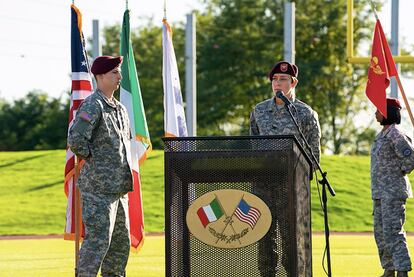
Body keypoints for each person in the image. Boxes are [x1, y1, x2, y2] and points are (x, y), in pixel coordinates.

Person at [249, 61, 321, 275]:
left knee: (291, 238)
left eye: (283, 79)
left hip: (291, 187)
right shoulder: (259, 111)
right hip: (263, 186)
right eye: (275, 80)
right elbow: (252, 146)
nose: (278, 83)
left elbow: (313, 155)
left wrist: (297, 178)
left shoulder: (305, 114)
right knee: (264, 237)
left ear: (293, 82)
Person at [68, 55, 133, 277]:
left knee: (119, 247)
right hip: (98, 190)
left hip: (119, 190)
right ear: (100, 76)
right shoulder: (93, 105)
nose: (119, 76)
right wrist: (95, 161)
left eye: (119, 72)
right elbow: (76, 139)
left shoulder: (120, 109)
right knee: (97, 244)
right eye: (114, 72)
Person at [371, 98, 414, 277]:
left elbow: (410, 159)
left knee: (393, 233)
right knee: (381, 234)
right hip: (380, 193)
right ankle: (389, 269)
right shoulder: (382, 135)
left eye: (378, 110)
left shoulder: (396, 134)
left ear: (388, 112)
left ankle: (402, 271)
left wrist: (398, 174)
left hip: (393, 192)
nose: (375, 113)